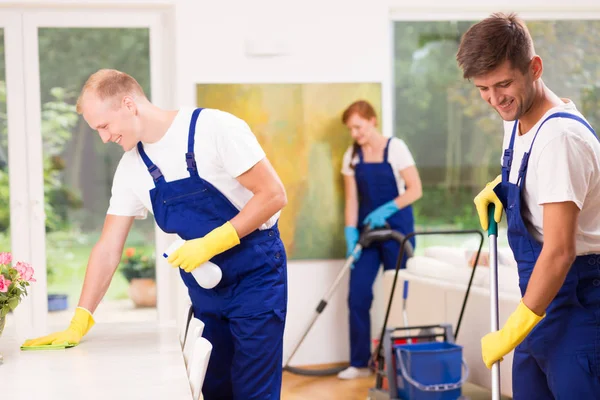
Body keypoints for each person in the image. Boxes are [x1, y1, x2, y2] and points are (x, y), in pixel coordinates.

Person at [21, 69, 289, 400]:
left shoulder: (214, 129)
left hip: (256, 276)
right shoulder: (133, 168)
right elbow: (108, 248)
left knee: (253, 389)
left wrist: (213, 242)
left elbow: (273, 195)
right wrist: (80, 319)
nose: (104, 138)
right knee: (215, 386)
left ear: (128, 104)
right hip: (207, 285)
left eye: (104, 126)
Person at [457, 12, 600, 397]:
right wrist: (502, 189)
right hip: (540, 308)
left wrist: (513, 328)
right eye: (482, 88)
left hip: (579, 310)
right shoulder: (516, 116)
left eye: (503, 83)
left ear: (534, 68)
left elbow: (559, 251)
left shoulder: (560, 138)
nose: (494, 98)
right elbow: (534, 176)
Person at [338, 100, 422, 379]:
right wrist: (350, 233)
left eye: (358, 127)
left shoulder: (395, 148)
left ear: (373, 120)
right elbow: (351, 199)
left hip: (398, 232)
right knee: (358, 295)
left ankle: (402, 362)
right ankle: (359, 363)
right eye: (351, 129)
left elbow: (415, 189)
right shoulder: (352, 155)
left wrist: (387, 209)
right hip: (368, 234)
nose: (355, 134)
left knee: (399, 297)